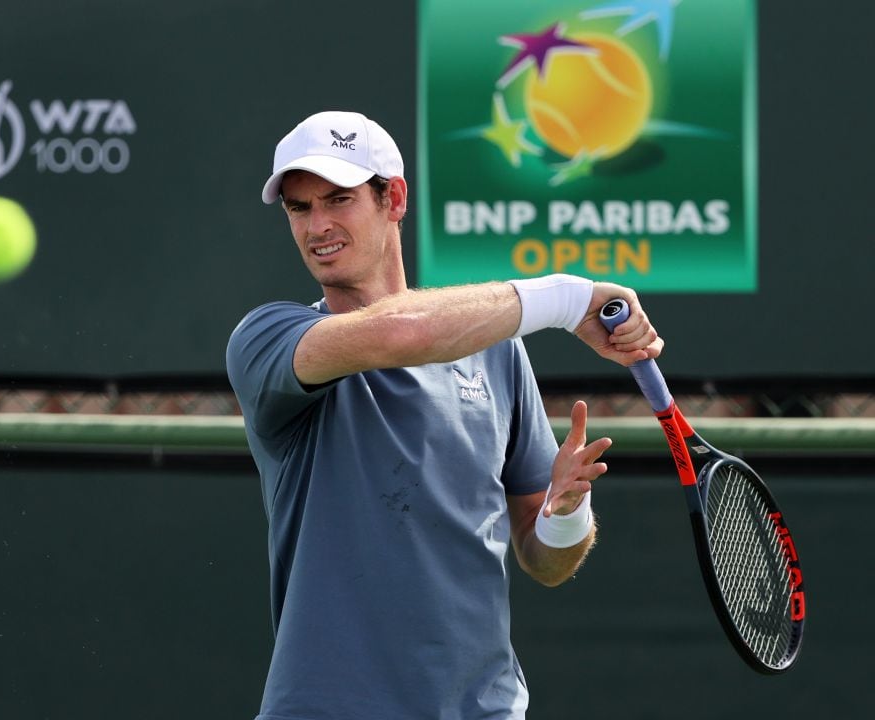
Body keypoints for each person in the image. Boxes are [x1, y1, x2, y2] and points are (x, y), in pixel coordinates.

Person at [226, 110, 663, 720]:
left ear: (394, 198)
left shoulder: (497, 350)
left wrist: (566, 513)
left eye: (338, 199)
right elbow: (402, 332)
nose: (317, 226)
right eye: (299, 208)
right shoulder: (267, 339)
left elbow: (544, 560)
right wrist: (569, 297)